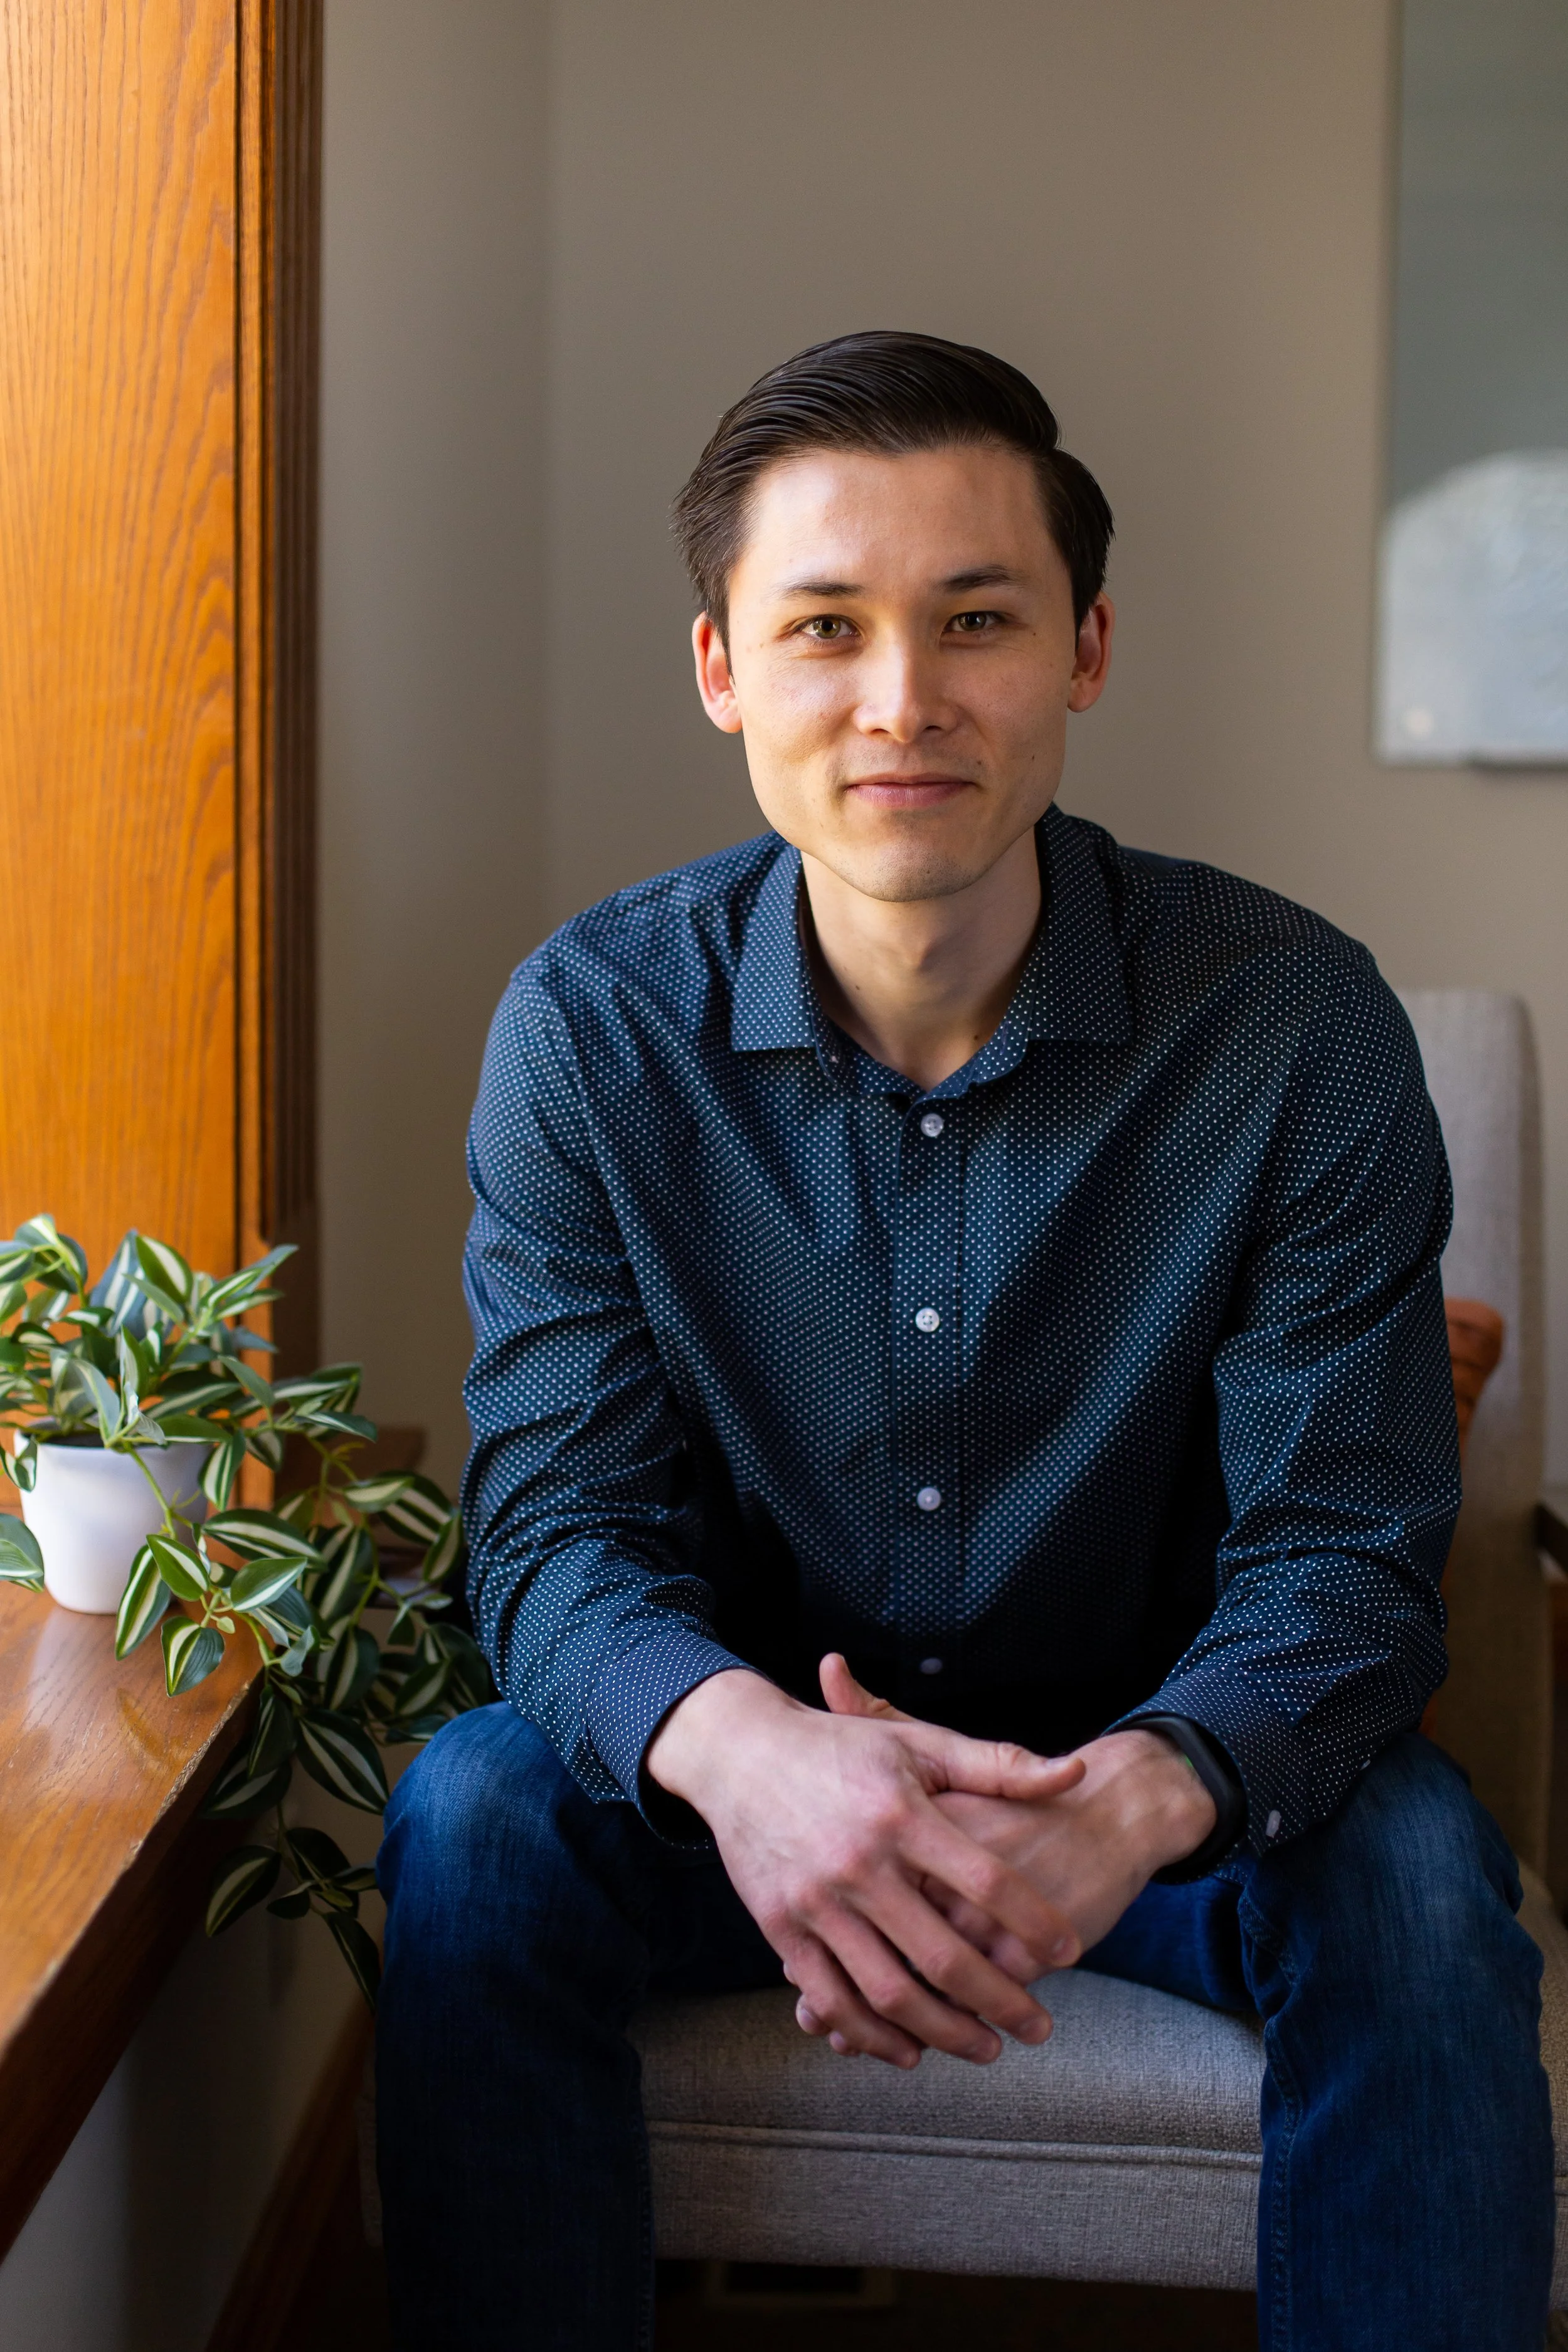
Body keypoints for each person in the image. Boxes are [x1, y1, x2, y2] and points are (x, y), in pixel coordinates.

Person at [375, 332, 1553, 2350]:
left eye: (974, 619)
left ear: (1084, 649)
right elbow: (554, 1529)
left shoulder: (1294, 1028)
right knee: (475, 1817)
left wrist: (1130, 1799)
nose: (901, 698)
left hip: (1178, 1797)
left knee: (1424, 1872)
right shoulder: (587, 1030)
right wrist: (756, 1760)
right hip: (742, 1807)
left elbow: (1341, 1560)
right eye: (824, 626)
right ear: (722, 670)